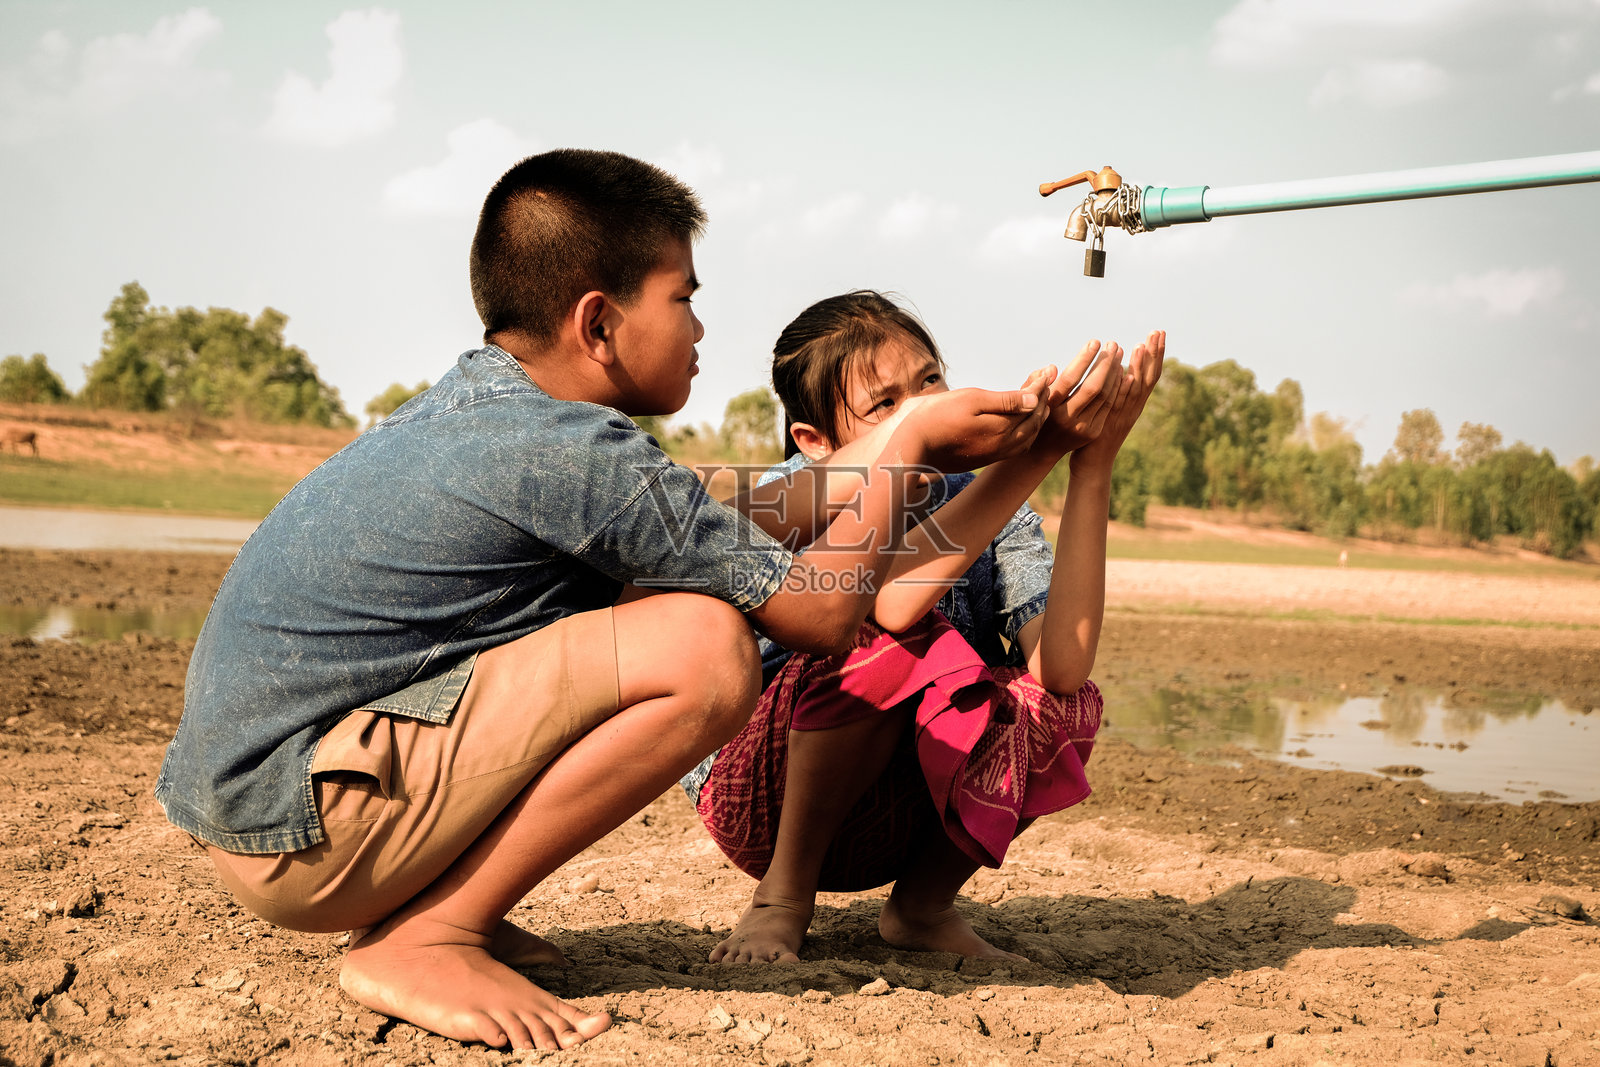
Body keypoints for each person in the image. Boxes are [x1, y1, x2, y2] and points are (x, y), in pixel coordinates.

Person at [154, 154, 1062, 1051]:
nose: (701, 328)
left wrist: (928, 440)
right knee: (703, 645)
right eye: (683, 298)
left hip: (271, 807)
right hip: (306, 829)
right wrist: (908, 452)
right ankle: (425, 936)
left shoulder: (498, 409)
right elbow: (824, 616)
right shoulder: (576, 451)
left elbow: (732, 507)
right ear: (599, 321)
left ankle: (425, 905)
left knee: (663, 600)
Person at [683, 290, 1165, 964]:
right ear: (815, 442)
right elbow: (889, 610)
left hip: (910, 808)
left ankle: (922, 906)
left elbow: (1062, 668)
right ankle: (780, 898)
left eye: (931, 382)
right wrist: (1034, 455)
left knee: (1065, 703)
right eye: (886, 404)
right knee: (888, 636)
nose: (925, 412)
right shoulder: (793, 496)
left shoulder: (985, 491)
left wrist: (1089, 462)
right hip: (765, 802)